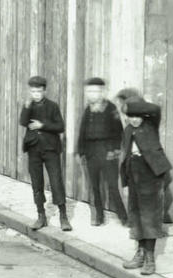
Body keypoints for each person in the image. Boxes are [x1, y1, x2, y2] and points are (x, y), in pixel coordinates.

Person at [119, 96, 172, 274]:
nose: (134, 119)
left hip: (151, 175)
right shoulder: (127, 130)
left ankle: (150, 258)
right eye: (130, 115)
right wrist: (125, 182)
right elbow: (124, 156)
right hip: (133, 173)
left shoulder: (150, 125)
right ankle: (140, 253)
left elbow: (155, 109)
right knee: (136, 215)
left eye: (137, 115)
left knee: (150, 217)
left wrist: (133, 105)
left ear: (143, 115)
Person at [19, 76, 71, 231]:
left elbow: (60, 126)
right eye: (33, 91)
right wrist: (27, 107)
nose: (36, 94)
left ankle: (63, 216)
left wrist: (42, 125)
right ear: (30, 91)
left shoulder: (52, 106)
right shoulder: (28, 105)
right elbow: (23, 122)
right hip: (34, 148)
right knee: (36, 183)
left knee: (56, 181)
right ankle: (41, 216)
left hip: (50, 149)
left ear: (44, 91)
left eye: (39, 91)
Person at [75, 77, 125, 226]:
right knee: (95, 186)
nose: (92, 94)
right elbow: (82, 132)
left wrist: (114, 150)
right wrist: (81, 152)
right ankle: (99, 216)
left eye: (95, 91)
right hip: (91, 153)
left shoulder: (111, 108)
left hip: (107, 152)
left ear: (102, 92)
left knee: (112, 186)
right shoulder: (88, 110)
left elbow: (119, 132)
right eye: (89, 91)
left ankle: (124, 217)